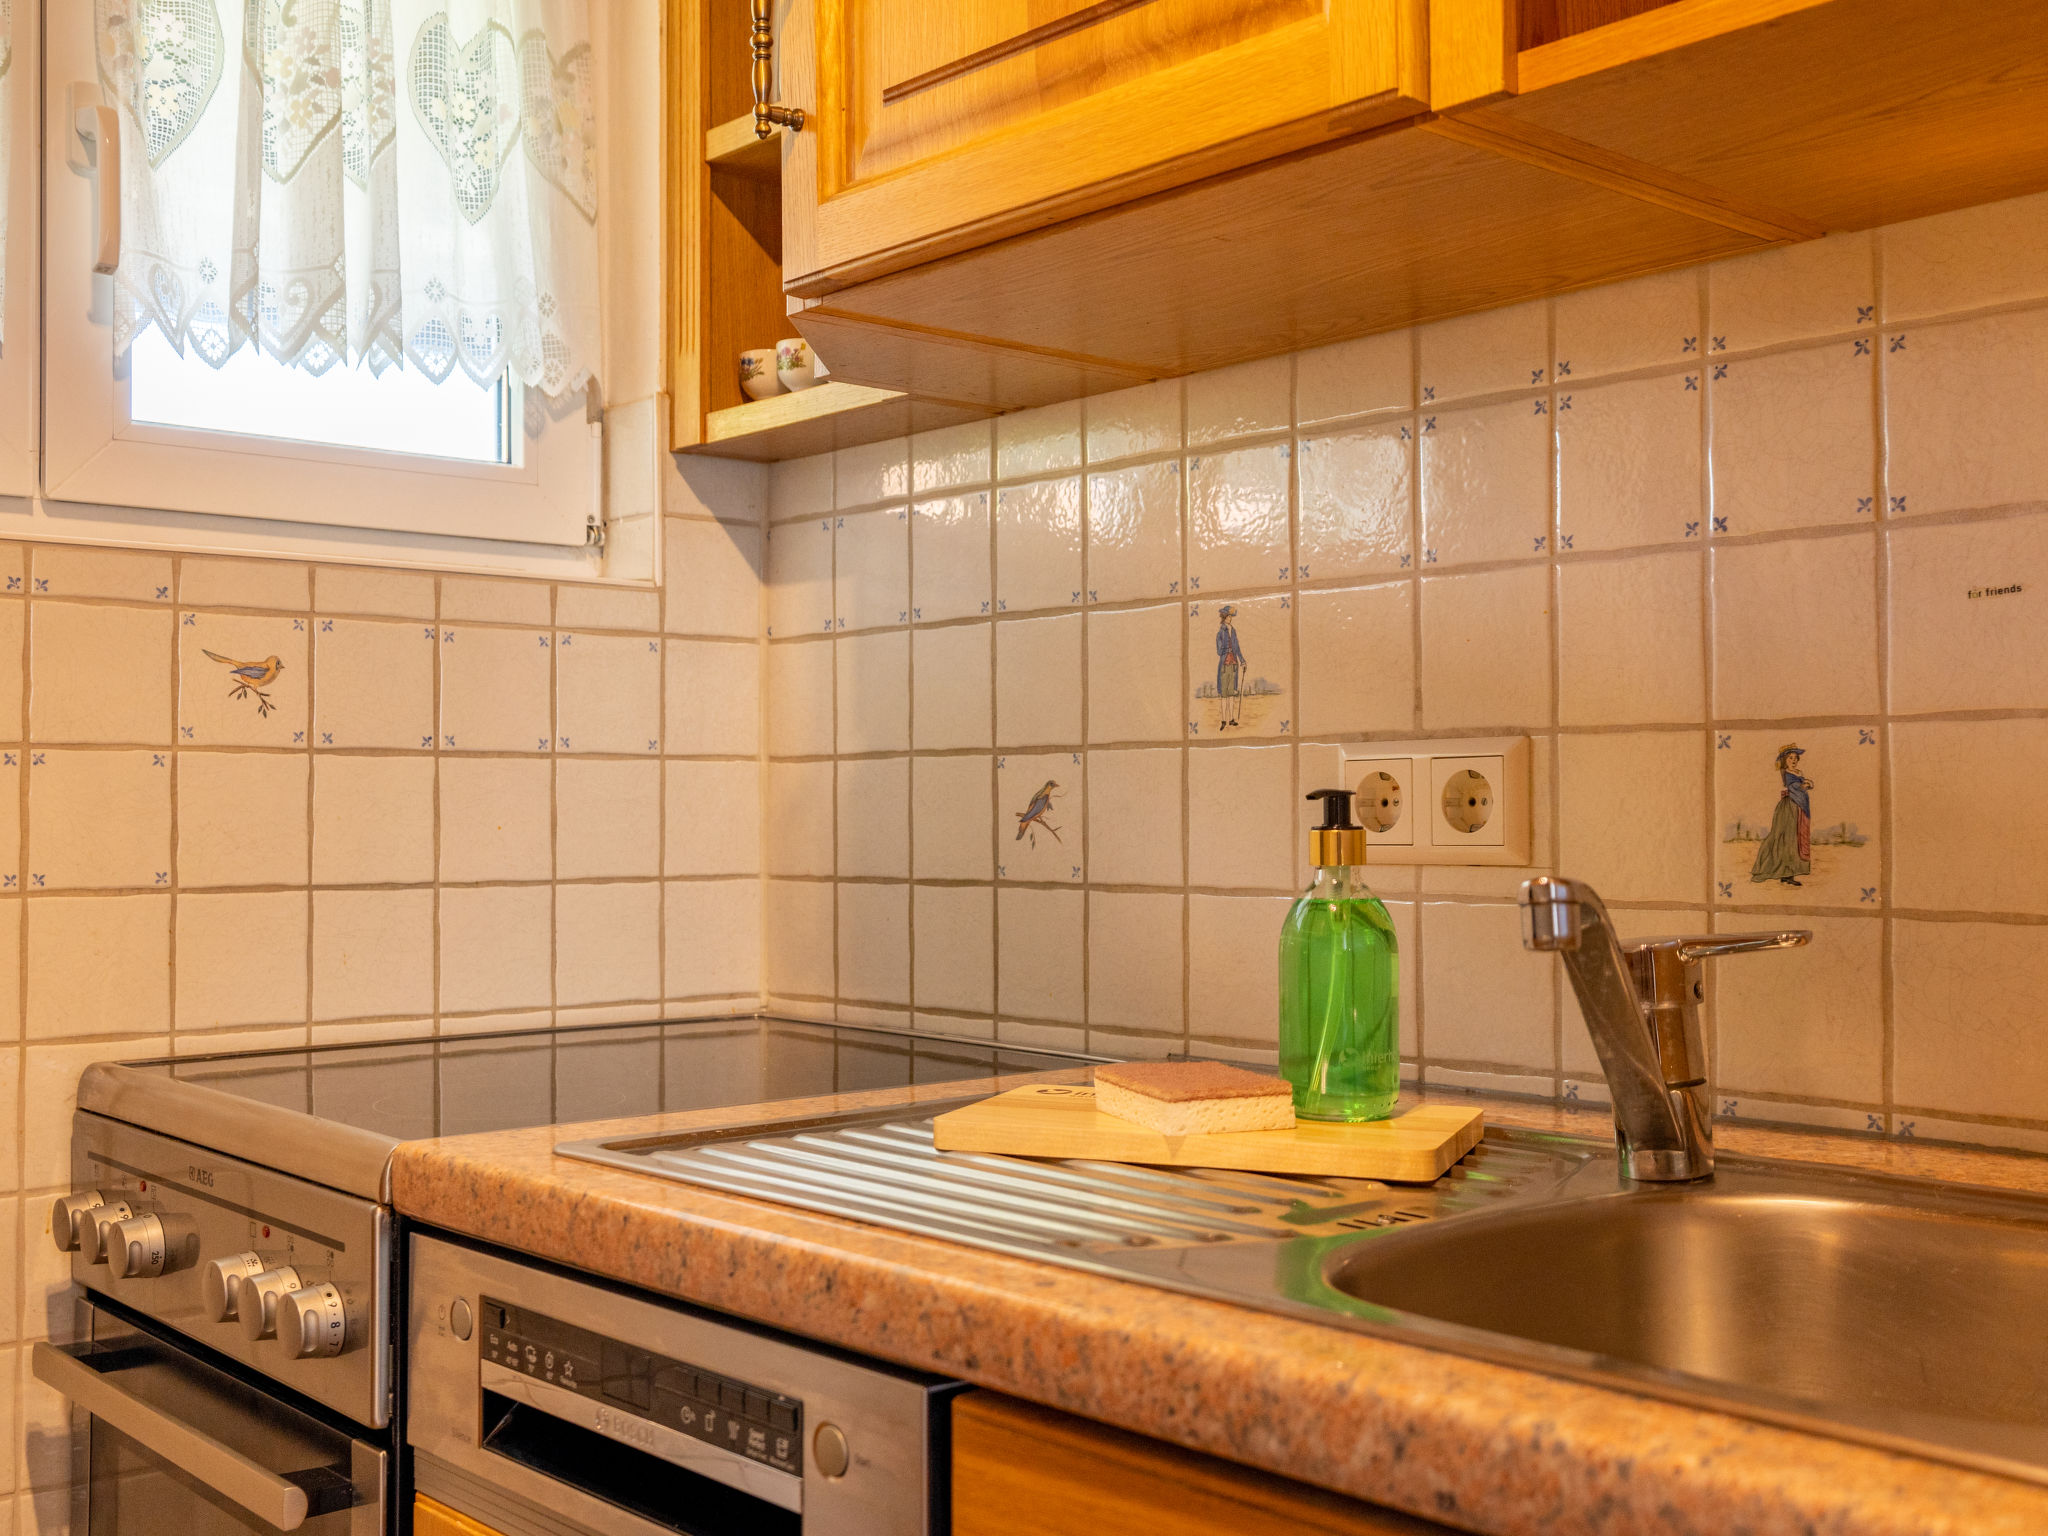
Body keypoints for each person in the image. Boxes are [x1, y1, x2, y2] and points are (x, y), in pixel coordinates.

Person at [1749, 744, 1812, 887]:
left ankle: (1788, 873)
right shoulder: (1787, 773)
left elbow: (1803, 786)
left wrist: (1807, 784)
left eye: (1796, 758)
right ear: (1785, 760)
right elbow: (1794, 788)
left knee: (1794, 840)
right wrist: (1805, 785)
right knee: (1785, 838)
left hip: (1798, 808)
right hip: (1788, 808)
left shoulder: (1798, 772)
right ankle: (1772, 869)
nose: (1794, 760)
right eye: (1791, 758)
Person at [1215, 606, 1245, 729]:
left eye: (1231, 616)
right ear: (1224, 617)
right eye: (1228, 616)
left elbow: (1237, 648)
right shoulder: (1220, 632)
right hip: (1224, 666)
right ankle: (1223, 720)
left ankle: (1231, 719)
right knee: (1224, 694)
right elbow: (1218, 651)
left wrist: (1242, 661)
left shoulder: (1233, 631)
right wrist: (1226, 648)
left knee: (1232, 693)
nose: (1230, 618)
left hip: (1233, 666)